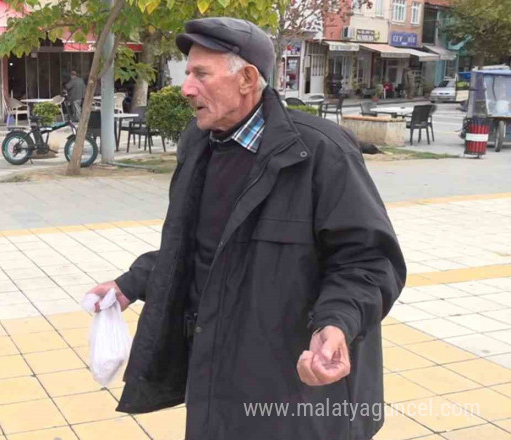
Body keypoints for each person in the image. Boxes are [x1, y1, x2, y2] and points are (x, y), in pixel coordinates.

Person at [86, 17, 405, 440]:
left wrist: (337, 323)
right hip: (217, 372)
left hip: (294, 388)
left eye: (201, 74)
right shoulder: (199, 143)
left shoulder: (320, 151)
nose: (186, 88)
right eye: (188, 74)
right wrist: (130, 283)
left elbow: (369, 260)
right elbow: (196, 242)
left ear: (247, 79)